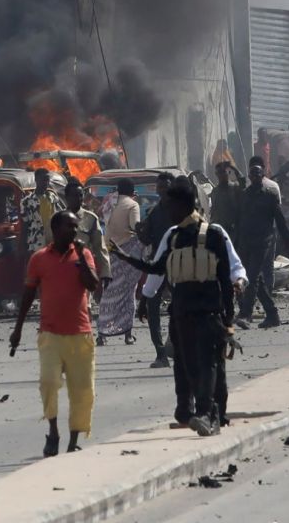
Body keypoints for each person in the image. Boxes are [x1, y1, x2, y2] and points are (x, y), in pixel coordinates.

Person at [118, 183, 236, 436]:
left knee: (206, 365)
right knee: (184, 366)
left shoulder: (213, 235)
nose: (166, 210)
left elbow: (225, 281)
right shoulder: (174, 237)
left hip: (207, 313)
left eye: (169, 205)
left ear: (185, 205)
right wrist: (125, 258)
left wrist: (229, 320)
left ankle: (208, 414)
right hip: (180, 314)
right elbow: (158, 268)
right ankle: (189, 411)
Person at [10, 211, 100, 457]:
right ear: (56, 229)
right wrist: (17, 329)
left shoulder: (84, 255)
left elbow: (93, 285)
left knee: (82, 391)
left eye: (76, 226)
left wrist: (81, 255)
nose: (75, 231)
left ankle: (73, 441)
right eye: (70, 226)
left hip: (81, 334)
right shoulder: (39, 259)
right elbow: (28, 295)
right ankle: (53, 431)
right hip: (50, 334)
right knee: (48, 383)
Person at [235, 161, 289, 329]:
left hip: (263, 241)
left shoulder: (269, 195)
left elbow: (280, 220)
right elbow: (240, 219)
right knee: (256, 279)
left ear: (263, 176)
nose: (255, 177)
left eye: (258, 174)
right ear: (249, 177)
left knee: (252, 277)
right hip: (246, 241)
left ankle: (245, 314)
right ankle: (272, 313)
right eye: (252, 174)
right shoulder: (244, 195)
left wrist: (288, 240)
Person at [136, 172, 176, 368]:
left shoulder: (182, 210)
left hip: (180, 264)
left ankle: (176, 346)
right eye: (160, 187)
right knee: (152, 307)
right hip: (159, 265)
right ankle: (161, 353)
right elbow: (147, 240)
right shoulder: (154, 212)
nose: (163, 190)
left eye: (165, 186)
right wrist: (140, 232)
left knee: (181, 308)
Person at [98, 179, 141, 344]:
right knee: (129, 293)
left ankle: (102, 334)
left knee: (108, 293)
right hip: (125, 252)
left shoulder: (110, 202)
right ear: (132, 192)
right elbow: (135, 226)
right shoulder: (132, 205)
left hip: (108, 251)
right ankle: (127, 334)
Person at [64, 180, 111, 289]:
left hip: (84, 269)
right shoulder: (58, 218)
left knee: (84, 303)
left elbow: (100, 247)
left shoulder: (90, 218)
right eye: (74, 196)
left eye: (81, 195)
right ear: (66, 197)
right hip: (63, 268)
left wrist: (105, 272)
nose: (79, 199)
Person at [22, 167, 65, 253]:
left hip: (53, 241)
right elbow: (25, 224)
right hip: (37, 242)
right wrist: (24, 246)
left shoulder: (52, 197)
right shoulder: (26, 201)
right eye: (43, 180)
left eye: (47, 180)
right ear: (36, 180)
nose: (46, 183)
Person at [209, 161, 244, 242]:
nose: (222, 175)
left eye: (224, 172)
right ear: (216, 174)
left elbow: (243, 182)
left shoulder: (234, 187)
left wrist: (233, 167)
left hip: (233, 230)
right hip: (219, 230)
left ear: (228, 173)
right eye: (219, 173)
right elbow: (214, 211)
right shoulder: (215, 191)